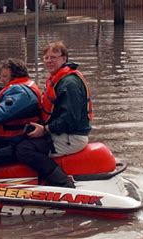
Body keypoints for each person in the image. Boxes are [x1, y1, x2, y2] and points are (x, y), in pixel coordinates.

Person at [15, 41, 93, 188]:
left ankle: (64, 184)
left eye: (54, 57)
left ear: (64, 59)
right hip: (63, 132)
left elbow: (71, 118)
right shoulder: (59, 79)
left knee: (23, 150)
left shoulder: (69, 84)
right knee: (20, 140)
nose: (49, 61)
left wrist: (44, 130)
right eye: (46, 58)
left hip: (72, 137)